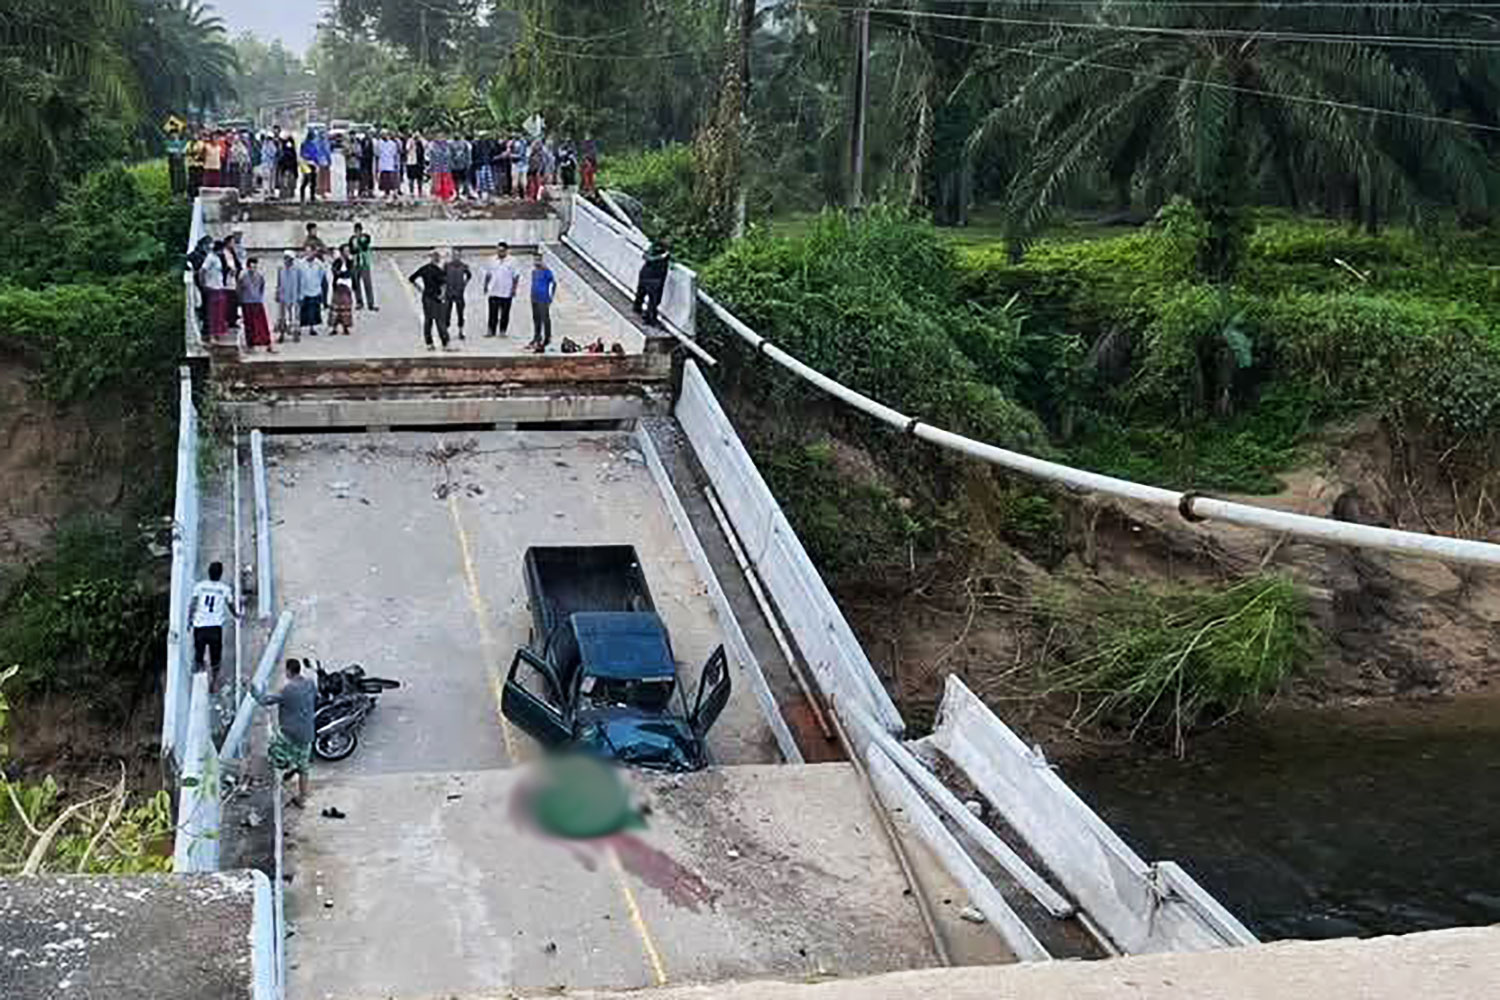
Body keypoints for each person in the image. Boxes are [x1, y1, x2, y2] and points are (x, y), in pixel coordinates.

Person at [252, 659, 317, 808]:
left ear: (288, 671)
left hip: (290, 733)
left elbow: (263, 700)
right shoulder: (310, 684)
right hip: (307, 733)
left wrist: (252, 689)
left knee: (274, 753)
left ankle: (279, 785)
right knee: (304, 768)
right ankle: (302, 798)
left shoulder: (287, 690)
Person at [190, 562, 238, 690]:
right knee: (215, 658)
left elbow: (193, 605)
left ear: (208, 572)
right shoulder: (225, 589)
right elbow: (230, 605)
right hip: (215, 628)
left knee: (198, 655)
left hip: (199, 626)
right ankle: (214, 682)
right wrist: (236, 615)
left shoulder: (199, 586)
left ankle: (198, 681)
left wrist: (189, 620)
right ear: (221, 574)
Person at [409, 249, 452, 351]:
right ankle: (445, 343)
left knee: (428, 321)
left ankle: (429, 343)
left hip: (426, 297)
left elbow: (411, 278)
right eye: (437, 257)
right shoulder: (438, 270)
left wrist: (420, 289)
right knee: (440, 321)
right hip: (436, 298)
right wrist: (442, 295)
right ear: (436, 259)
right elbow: (444, 284)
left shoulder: (424, 268)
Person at [483, 242, 520, 338]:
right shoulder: (491, 260)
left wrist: (514, 289)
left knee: (505, 313)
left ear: (506, 251)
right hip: (493, 290)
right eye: (498, 250)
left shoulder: (512, 261)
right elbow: (488, 274)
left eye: (502, 251)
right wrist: (485, 286)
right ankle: (491, 330)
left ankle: (502, 330)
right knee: (492, 312)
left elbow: (516, 276)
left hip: (506, 291)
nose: (500, 252)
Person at [240, 257, 275, 353]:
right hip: (247, 302)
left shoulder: (259, 276)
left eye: (255, 267)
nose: (253, 269)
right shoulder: (243, 276)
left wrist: (259, 297)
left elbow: (262, 287)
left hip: (257, 301)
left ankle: (267, 343)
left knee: (262, 324)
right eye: (251, 267)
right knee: (249, 325)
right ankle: (250, 344)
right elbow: (240, 289)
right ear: (248, 267)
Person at [634, 241, 671, 327]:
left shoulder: (652, 249)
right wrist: (662, 257)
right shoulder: (662, 255)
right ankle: (649, 318)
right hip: (655, 279)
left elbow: (646, 256)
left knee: (642, 294)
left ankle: (638, 309)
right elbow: (648, 257)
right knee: (653, 300)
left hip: (646, 275)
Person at [296, 246, 328, 337]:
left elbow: (322, 276)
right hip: (304, 289)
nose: (308, 254)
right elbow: (298, 276)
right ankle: (300, 327)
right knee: (303, 309)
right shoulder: (301, 263)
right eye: (307, 252)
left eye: (310, 252)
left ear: (314, 252)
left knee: (314, 310)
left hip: (315, 289)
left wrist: (320, 288)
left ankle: (312, 327)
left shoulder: (319, 264)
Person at [528, 253, 556, 353]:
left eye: (538, 260)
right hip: (534, 297)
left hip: (543, 298)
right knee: (536, 318)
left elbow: (553, 284)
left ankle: (547, 338)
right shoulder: (534, 272)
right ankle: (537, 337)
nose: (536, 262)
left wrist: (550, 297)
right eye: (535, 260)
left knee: (545, 318)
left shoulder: (547, 271)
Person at [202, 241, 229, 342]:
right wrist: (204, 283)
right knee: (213, 313)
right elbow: (203, 270)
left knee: (220, 312)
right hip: (212, 287)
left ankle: (218, 333)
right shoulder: (210, 258)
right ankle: (212, 335)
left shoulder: (218, 258)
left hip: (219, 286)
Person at [444, 248, 472, 340]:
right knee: (447, 313)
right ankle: (446, 331)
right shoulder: (447, 265)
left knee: (460, 313)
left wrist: (464, 284)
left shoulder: (464, 266)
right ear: (452, 256)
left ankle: (460, 331)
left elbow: (469, 276)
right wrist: (444, 287)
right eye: (454, 255)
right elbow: (442, 276)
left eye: (458, 255)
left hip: (459, 294)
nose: (456, 257)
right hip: (448, 293)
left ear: (460, 256)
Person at [330, 245, 357, 336]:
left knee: (346, 308)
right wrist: (342, 274)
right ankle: (334, 327)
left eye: (348, 251)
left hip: (347, 286)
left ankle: (345, 327)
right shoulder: (337, 262)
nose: (347, 252)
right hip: (338, 286)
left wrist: (342, 274)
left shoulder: (350, 262)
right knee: (336, 308)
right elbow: (335, 271)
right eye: (345, 251)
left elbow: (351, 273)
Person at [350, 222, 377, 311]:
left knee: (367, 284)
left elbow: (364, 246)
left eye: (359, 230)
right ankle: (359, 302)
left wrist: (358, 242)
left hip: (364, 263)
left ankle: (371, 304)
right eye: (356, 231)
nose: (357, 232)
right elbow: (352, 250)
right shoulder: (352, 239)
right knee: (356, 284)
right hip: (355, 263)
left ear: (361, 230)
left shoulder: (366, 237)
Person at [275, 250, 300, 343]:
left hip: (294, 295)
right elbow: (278, 282)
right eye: (286, 258)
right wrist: (277, 292)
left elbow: (300, 282)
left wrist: (300, 295)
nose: (287, 261)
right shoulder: (280, 268)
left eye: (289, 259)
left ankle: (295, 333)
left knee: (294, 316)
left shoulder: (297, 269)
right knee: (282, 316)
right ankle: (282, 334)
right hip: (283, 294)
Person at [429, 136, 453, 202]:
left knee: (438, 181)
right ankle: (445, 196)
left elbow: (432, 158)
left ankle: (439, 195)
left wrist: (431, 167)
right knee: (443, 181)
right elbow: (449, 157)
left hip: (438, 168)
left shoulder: (433, 146)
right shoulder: (447, 146)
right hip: (444, 168)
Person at [377, 132, 400, 199]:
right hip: (383, 164)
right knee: (384, 180)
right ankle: (386, 193)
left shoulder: (393, 144)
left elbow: (395, 153)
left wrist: (396, 163)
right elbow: (378, 153)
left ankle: (395, 193)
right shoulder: (380, 143)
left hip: (390, 163)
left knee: (392, 180)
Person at [166, 128, 187, 197]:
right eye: (173, 133)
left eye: (176, 133)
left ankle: (182, 191)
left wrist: (181, 151)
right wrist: (176, 152)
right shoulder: (169, 142)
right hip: (173, 163)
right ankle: (175, 191)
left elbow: (185, 151)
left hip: (181, 162)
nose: (174, 135)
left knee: (181, 176)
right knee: (174, 176)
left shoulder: (182, 142)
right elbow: (169, 151)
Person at [405, 132, 426, 197]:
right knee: (411, 179)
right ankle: (411, 192)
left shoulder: (421, 142)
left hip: (420, 163)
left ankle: (420, 191)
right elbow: (407, 148)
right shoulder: (410, 141)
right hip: (411, 162)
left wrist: (420, 139)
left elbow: (426, 145)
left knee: (420, 179)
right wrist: (412, 141)